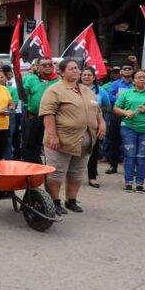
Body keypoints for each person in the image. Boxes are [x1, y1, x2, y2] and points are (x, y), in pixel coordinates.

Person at [40, 60, 105, 213]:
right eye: (71, 69)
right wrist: (52, 136)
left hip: (86, 140)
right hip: (62, 140)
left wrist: (102, 123)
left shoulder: (87, 90)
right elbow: (47, 114)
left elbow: (97, 110)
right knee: (56, 173)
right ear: (61, 72)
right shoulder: (54, 90)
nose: (76, 71)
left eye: (77, 68)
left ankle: (71, 200)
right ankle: (54, 202)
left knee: (77, 172)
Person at [112, 70, 145, 193]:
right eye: (139, 77)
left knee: (142, 156)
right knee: (130, 155)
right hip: (128, 128)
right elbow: (115, 108)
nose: (142, 79)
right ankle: (128, 182)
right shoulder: (126, 93)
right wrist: (125, 112)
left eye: (144, 77)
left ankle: (140, 183)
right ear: (134, 80)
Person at [21, 57, 60, 163]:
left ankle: (51, 168)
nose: (48, 67)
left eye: (49, 65)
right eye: (44, 65)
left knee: (49, 144)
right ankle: (33, 167)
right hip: (33, 116)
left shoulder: (59, 80)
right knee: (30, 143)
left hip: (52, 117)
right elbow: (23, 94)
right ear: (37, 67)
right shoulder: (31, 79)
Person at [81, 67, 110, 188]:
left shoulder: (101, 91)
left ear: (94, 77)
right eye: (84, 75)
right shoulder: (75, 89)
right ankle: (70, 176)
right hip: (77, 125)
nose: (86, 77)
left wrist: (95, 110)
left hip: (94, 125)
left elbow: (107, 106)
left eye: (89, 75)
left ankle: (92, 177)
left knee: (93, 152)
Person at [104, 63, 135, 174]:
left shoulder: (135, 84)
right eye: (125, 68)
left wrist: (120, 97)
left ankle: (131, 167)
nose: (127, 70)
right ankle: (113, 165)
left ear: (132, 70)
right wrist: (124, 98)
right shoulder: (115, 84)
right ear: (121, 71)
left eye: (129, 68)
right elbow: (109, 96)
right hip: (117, 114)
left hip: (131, 115)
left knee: (130, 141)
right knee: (114, 140)